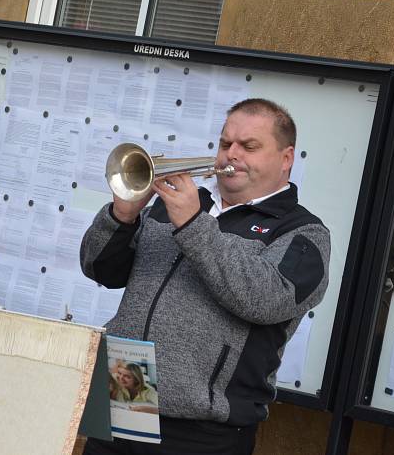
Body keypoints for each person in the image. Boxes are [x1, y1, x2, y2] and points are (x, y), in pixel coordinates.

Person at [80, 98, 330, 455]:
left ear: (286, 158)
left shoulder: (303, 233)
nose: (231, 155)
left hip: (203, 425)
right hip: (124, 392)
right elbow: (99, 268)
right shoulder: (176, 204)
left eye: (249, 146)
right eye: (225, 143)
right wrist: (121, 217)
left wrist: (195, 225)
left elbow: (264, 300)